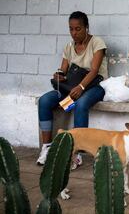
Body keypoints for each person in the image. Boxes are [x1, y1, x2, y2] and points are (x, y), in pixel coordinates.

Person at [37, 11, 108, 168]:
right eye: (71, 29)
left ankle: (77, 152)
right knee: (44, 101)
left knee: (81, 104)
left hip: (95, 86)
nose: (74, 33)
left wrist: (81, 87)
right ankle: (47, 147)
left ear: (86, 28)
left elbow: (94, 70)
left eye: (78, 29)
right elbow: (64, 68)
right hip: (72, 86)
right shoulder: (69, 46)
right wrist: (59, 75)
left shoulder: (97, 43)